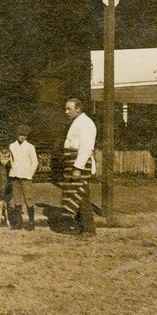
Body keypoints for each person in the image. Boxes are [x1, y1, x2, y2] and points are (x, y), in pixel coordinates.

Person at [61, 98, 97, 237]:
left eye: (69, 109)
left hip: (79, 163)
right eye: (66, 109)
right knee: (77, 195)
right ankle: (81, 226)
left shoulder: (86, 123)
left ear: (78, 109)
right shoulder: (77, 122)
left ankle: (89, 229)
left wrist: (78, 167)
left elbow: (86, 147)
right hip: (72, 161)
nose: (66, 112)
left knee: (81, 194)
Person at [8, 124, 39, 231]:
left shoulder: (30, 147)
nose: (22, 137)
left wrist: (29, 174)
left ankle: (31, 223)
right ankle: (18, 223)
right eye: (20, 134)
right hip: (15, 176)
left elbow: (35, 162)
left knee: (28, 199)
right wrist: (13, 170)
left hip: (26, 177)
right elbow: (11, 160)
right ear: (17, 134)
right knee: (17, 199)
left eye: (24, 135)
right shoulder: (12, 146)